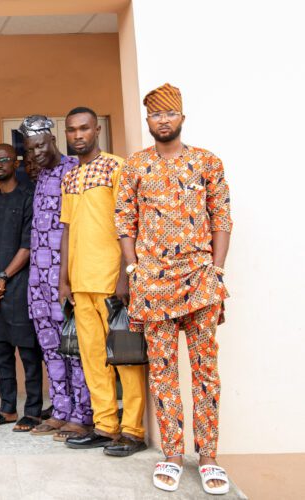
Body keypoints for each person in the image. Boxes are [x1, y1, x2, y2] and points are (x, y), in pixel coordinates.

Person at [116, 84, 232, 494]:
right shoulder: (135, 166)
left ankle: (209, 457)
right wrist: (134, 270)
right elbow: (124, 222)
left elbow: (221, 219)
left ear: (182, 118)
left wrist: (216, 272)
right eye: (155, 115)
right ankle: (172, 454)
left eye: (169, 114)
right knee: (163, 373)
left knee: (205, 372)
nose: (162, 120)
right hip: (153, 284)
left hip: (200, 281)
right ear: (148, 122)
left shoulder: (207, 163)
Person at [57, 107, 148, 455]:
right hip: (80, 284)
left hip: (113, 282)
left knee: (124, 356)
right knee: (93, 359)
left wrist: (128, 272)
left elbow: (129, 223)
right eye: (72, 130)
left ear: (96, 130)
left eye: (84, 128)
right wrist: (64, 280)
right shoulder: (70, 177)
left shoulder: (116, 167)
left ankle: (133, 431)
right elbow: (66, 231)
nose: (78, 135)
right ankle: (106, 425)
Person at [14, 116, 93, 436]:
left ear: (53, 140)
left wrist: (68, 277)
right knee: (51, 350)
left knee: (74, 347)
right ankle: (60, 409)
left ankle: (82, 414)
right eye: (30, 150)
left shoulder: (75, 170)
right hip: (39, 283)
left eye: (40, 146)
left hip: (66, 279)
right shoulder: (41, 176)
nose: (35, 154)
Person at [0, 144, 41, 430]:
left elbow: (28, 245)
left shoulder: (28, 197)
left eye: (4, 159)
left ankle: (35, 411)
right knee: (1, 352)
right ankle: (9, 408)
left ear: (15, 163)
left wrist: (2, 277)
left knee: (28, 353)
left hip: (20, 287)